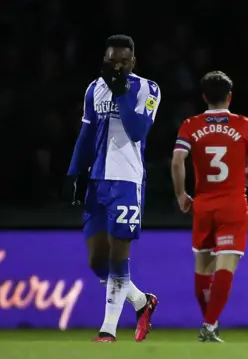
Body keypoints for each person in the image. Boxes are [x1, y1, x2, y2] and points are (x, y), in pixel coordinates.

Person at [65, 35, 160, 343]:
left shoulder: (148, 89)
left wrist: (121, 93)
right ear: (104, 61)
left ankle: (108, 331)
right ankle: (141, 301)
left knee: (119, 258)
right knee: (97, 262)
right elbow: (87, 131)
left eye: (122, 61)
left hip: (126, 181)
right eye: (110, 61)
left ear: (133, 61)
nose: (116, 66)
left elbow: (137, 131)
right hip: (97, 181)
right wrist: (74, 172)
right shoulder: (94, 88)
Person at [172, 71, 248, 343]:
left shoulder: (190, 124)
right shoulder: (244, 125)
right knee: (225, 266)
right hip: (232, 204)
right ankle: (209, 325)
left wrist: (180, 195)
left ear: (203, 97)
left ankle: (209, 322)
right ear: (229, 96)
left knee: (202, 269)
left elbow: (177, 161)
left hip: (204, 204)